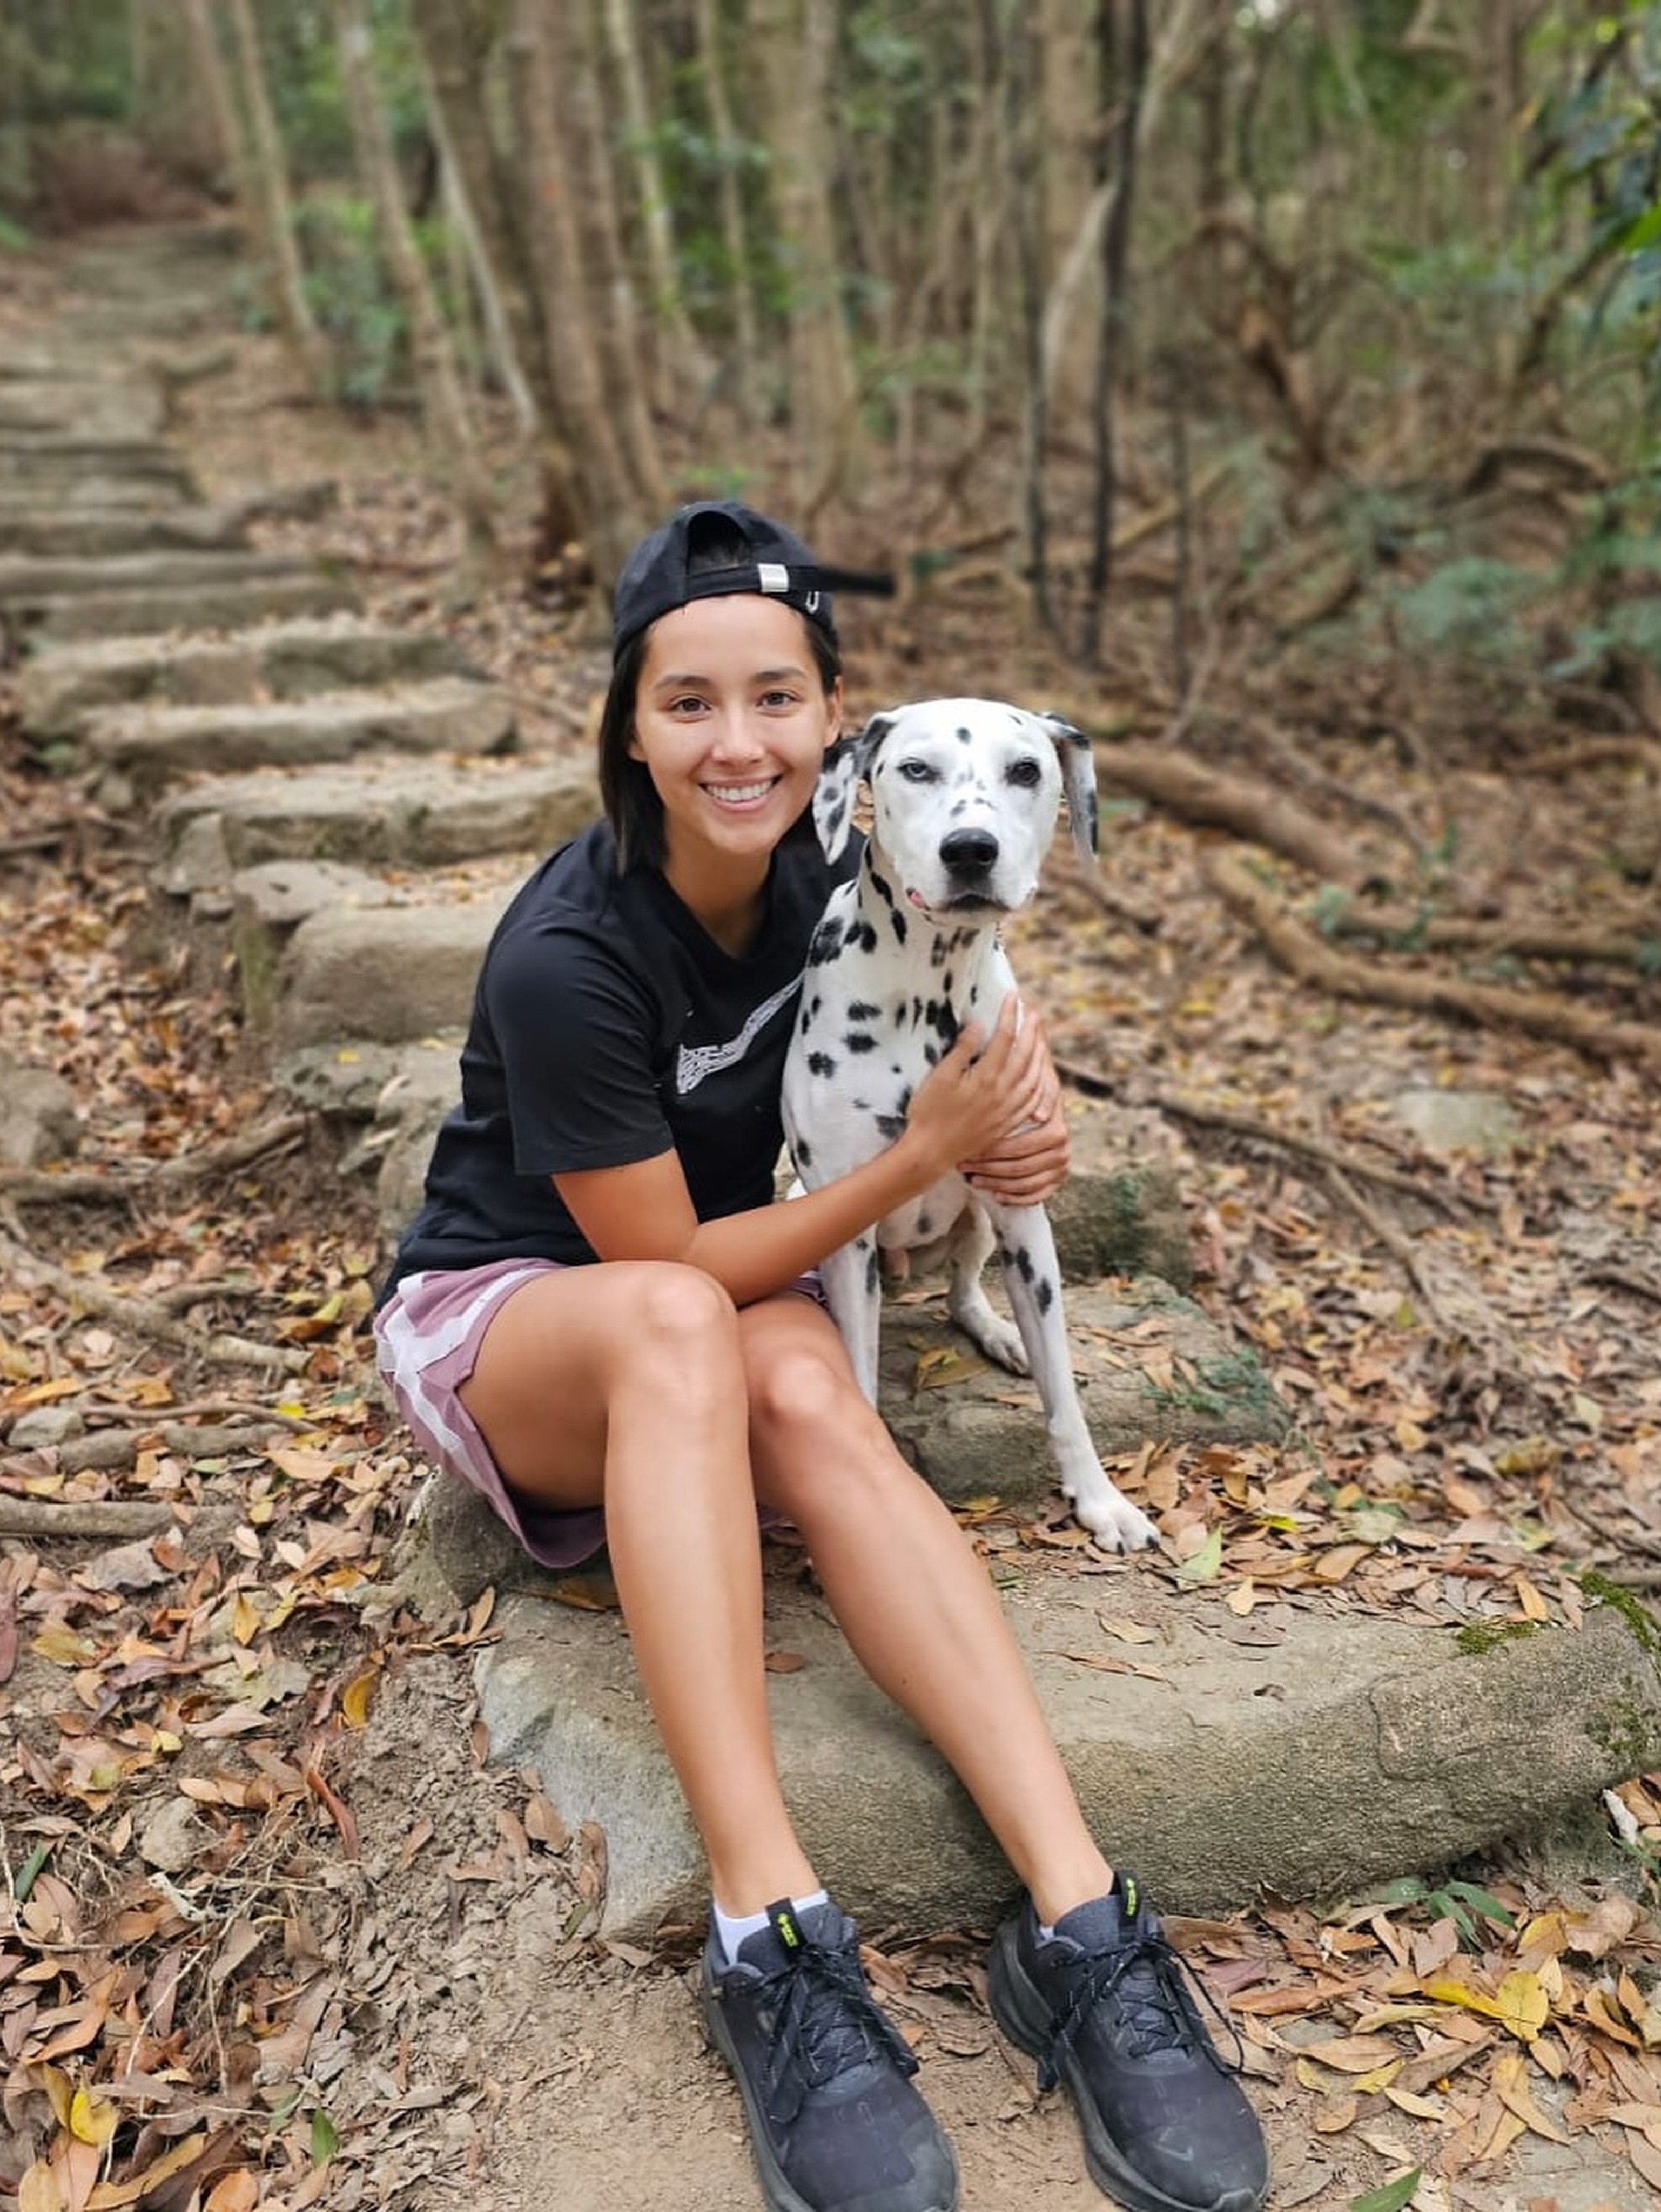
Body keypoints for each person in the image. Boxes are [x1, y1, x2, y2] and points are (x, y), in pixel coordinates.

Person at [374, 502, 1270, 2212]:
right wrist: (921, 1160)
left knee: (806, 1389)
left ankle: (1085, 1923)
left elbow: (982, 980)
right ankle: (767, 1932)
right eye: (689, 702)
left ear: (837, 734)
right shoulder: (570, 952)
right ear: (631, 731)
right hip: (525, 1315)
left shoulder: (855, 861)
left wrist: (1019, 1099)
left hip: (718, 1309)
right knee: (686, 1328)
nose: (738, 742)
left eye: (777, 699)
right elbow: (661, 1267)